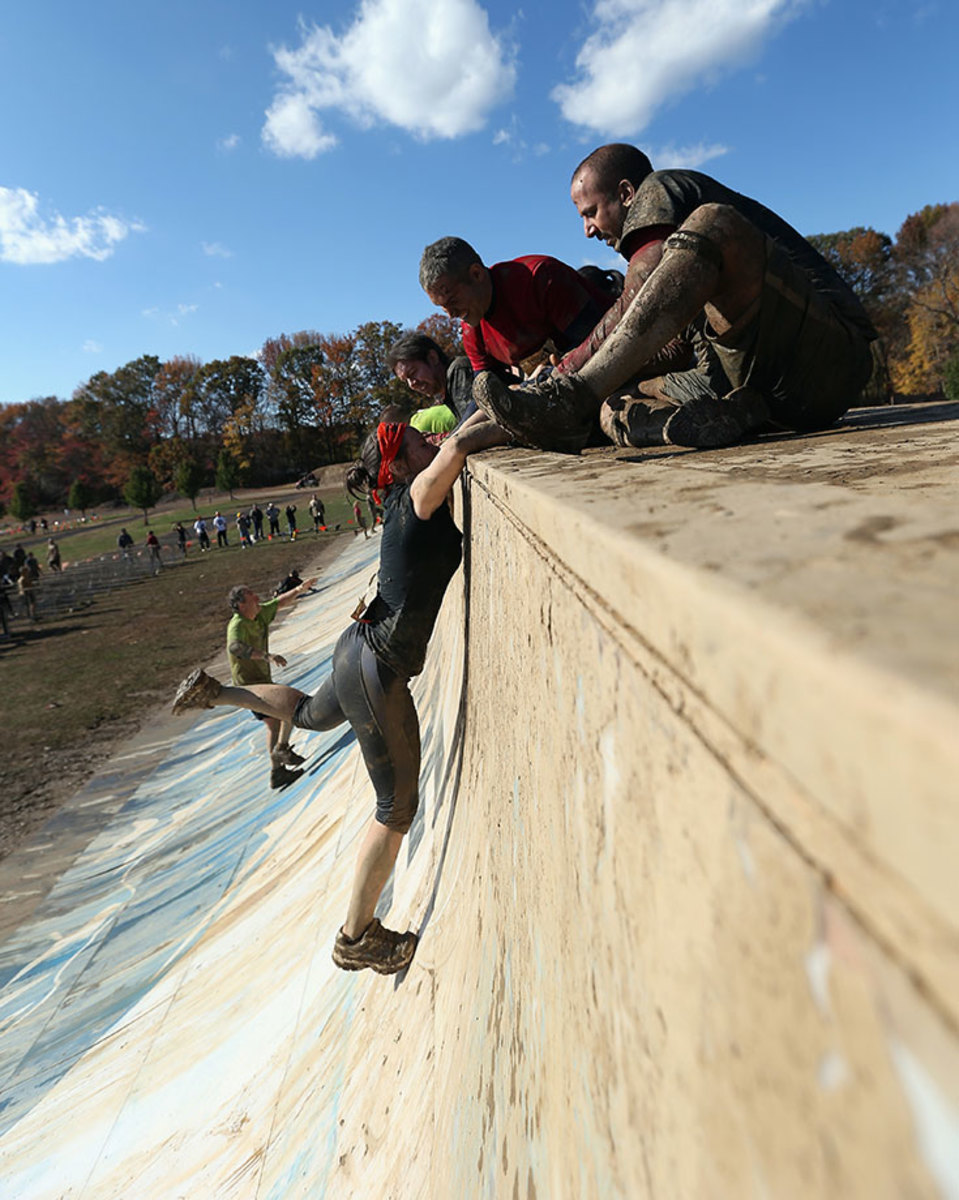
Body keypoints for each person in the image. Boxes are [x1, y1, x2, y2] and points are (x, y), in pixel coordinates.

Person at [172, 412, 510, 973]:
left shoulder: (404, 496)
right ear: (398, 465)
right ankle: (357, 938)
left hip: (355, 648)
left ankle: (218, 693)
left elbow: (451, 441)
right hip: (376, 668)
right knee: (396, 809)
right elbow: (463, 443)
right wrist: (507, 402)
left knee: (306, 712)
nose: (428, 439)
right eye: (412, 440)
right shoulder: (421, 491)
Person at [473, 143, 877, 454]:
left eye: (590, 212)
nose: (588, 231)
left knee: (714, 223)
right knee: (614, 402)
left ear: (628, 193)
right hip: (784, 401)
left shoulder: (660, 187)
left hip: (833, 356)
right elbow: (670, 343)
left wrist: (566, 379)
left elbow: (640, 290)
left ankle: (571, 398)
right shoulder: (683, 276)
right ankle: (723, 418)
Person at [420, 237, 615, 384]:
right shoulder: (472, 326)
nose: (452, 315)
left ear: (476, 274)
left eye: (452, 301)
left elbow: (596, 343)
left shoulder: (540, 277)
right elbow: (487, 391)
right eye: (442, 308)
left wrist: (540, 380)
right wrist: (457, 436)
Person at [214, 577, 315, 790]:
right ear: (241, 605)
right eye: (252, 596)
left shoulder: (258, 615)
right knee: (281, 715)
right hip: (248, 688)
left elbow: (279, 602)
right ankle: (280, 755)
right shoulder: (238, 624)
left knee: (283, 714)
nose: (257, 598)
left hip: (263, 681)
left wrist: (299, 588)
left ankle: (278, 766)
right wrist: (266, 656)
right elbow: (234, 648)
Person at [387, 331, 475, 423]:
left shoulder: (459, 370)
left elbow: (473, 423)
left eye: (413, 373)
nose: (411, 384)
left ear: (433, 358)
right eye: (406, 381)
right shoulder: (447, 391)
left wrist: (451, 437)